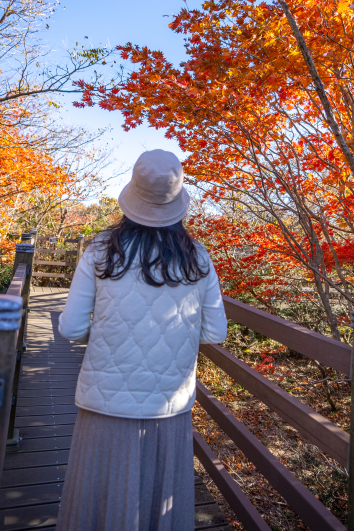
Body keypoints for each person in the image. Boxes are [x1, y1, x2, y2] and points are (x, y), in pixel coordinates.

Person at [55, 149, 228, 531]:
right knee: (158, 505)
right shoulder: (198, 258)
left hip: (105, 402)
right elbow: (216, 332)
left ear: (132, 196)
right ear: (177, 203)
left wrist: (103, 329)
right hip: (168, 406)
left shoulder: (101, 250)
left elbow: (70, 328)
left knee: (98, 501)